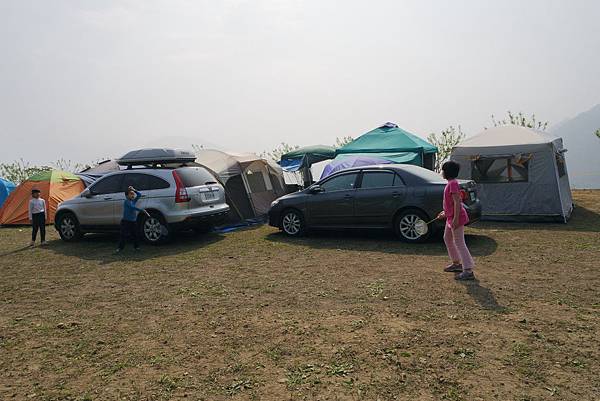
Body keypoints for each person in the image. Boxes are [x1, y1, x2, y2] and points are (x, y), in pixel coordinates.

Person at [437, 161, 475, 280]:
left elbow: (457, 202)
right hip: (451, 218)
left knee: (459, 242)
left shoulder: (453, 184)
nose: (441, 172)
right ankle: (456, 263)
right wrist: (445, 213)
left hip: (456, 218)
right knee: (447, 238)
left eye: (443, 170)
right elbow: (451, 204)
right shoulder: (450, 183)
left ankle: (468, 270)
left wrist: (455, 219)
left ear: (447, 172)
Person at [115, 186, 150, 253]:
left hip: (133, 222)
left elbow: (139, 195)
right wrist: (142, 210)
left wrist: (134, 190)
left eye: (133, 194)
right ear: (126, 195)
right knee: (123, 235)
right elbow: (132, 207)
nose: (133, 195)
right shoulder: (126, 201)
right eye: (131, 194)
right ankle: (120, 248)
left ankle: (136, 247)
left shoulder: (133, 201)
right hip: (126, 222)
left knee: (135, 235)